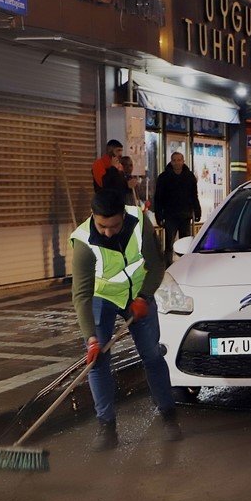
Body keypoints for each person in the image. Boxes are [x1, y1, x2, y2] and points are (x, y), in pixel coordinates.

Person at [70, 189, 180, 448]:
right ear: (93, 217)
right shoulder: (84, 242)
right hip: (102, 297)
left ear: (123, 215)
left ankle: (169, 417)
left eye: (115, 225)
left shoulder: (140, 222)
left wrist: (144, 297)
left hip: (139, 295)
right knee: (97, 361)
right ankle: (106, 428)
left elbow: (157, 265)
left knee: (152, 355)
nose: (108, 231)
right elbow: (82, 295)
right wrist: (91, 338)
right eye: (102, 226)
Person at [154, 151, 201, 263]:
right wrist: (159, 215)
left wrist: (197, 211)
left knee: (185, 243)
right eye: (174, 160)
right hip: (170, 215)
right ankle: (168, 266)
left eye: (179, 160)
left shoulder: (189, 177)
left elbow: (194, 195)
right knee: (169, 244)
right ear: (171, 161)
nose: (177, 163)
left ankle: (184, 264)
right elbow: (158, 198)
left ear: (183, 161)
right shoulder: (164, 177)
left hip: (185, 215)